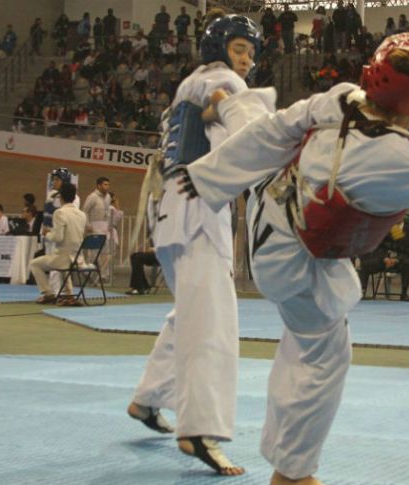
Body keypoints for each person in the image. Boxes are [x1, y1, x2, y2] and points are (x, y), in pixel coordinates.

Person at [179, 33, 409, 485]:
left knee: (262, 119)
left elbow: (273, 132)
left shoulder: (341, 98)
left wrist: (210, 176)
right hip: (295, 264)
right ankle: (293, 474)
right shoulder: (397, 158)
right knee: (325, 353)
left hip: (270, 207)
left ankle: (230, 104)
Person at [127, 11, 267, 477]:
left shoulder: (189, 83)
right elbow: (247, 135)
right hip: (198, 208)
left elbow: (199, 126)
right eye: (240, 48)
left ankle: (148, 398)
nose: (246, 60)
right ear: (220, 47)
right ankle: (200, 430)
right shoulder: (224, 80)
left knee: (189, 312)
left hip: (172, 210)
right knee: (213, 322)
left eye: (251, 52)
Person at [29, 183, 87, 306]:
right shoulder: (82, 215)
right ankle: (69, 294)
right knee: (63, 265)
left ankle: (48, 294)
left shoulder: (60, 213)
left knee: (34, 264)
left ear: (61, 198)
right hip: (78, 258)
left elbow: (58, 238)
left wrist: (47, 233)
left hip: (64, 258)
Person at [358, 221, 409, 301]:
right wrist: (385, 258)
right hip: (384, 260)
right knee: (366, 263)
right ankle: (362, 291)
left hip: (401, 260)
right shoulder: (385, 226)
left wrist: (397, 259)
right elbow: (379, 246)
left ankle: (404, 293)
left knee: (408, 263)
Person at [82, 176, 112, 280]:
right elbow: (85, 210)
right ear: (98, 185)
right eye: (105, 184)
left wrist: (108, 225)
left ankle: (103, 275)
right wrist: (88, 225)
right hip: (94, 227)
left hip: (104, 227)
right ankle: (89, 273)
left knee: (105, 252)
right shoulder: (92, 197)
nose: (107, 187)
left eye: (108, 185)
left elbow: (107, 212)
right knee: (93, 252)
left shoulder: (108, 197)